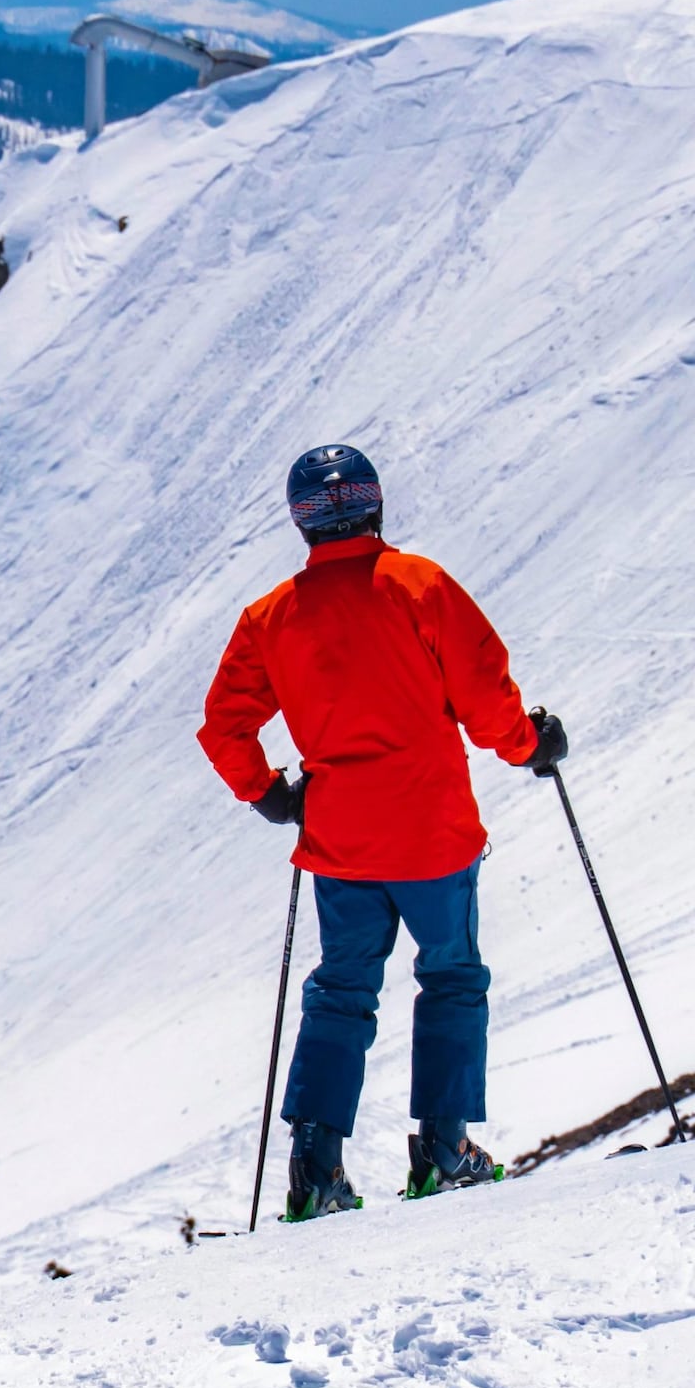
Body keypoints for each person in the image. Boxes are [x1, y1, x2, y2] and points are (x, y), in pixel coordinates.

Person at [197, 446, 566, 1217]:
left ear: (303, 521)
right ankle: (444, 1149)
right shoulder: (418, 585)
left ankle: (317, 1171)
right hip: (432, 832)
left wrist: (270, 795)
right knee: (453, 976)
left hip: (342, 840)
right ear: (374, 505)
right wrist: (532, 745)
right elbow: (485, 694)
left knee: (341, 990)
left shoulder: (271, 618)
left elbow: (225, 725)